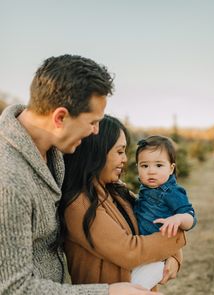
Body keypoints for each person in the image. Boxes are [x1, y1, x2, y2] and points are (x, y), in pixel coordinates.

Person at [0, 54, 159, 295]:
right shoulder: (8, 181)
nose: (96, 131)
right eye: (93, 122)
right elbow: (14, 288)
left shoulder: (56, 150)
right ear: (60, 117)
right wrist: (107, 292)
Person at [58, 115, 186, 291]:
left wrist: (175, 257)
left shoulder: (117, 191)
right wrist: (178, 236)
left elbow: (150, 223)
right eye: (119, 151)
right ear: (97, 152)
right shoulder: (79, 204)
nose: (125, 159)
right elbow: (130, 251)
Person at [132, 135, 197, 290]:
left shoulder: (171, 192)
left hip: (157, 256)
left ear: (171, 168)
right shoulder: (146, 188)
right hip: (143, 250)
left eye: (159, 165)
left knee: (136, 287)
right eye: (144, 166)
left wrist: (178, 218)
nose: (151, 172)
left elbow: (191, 217)